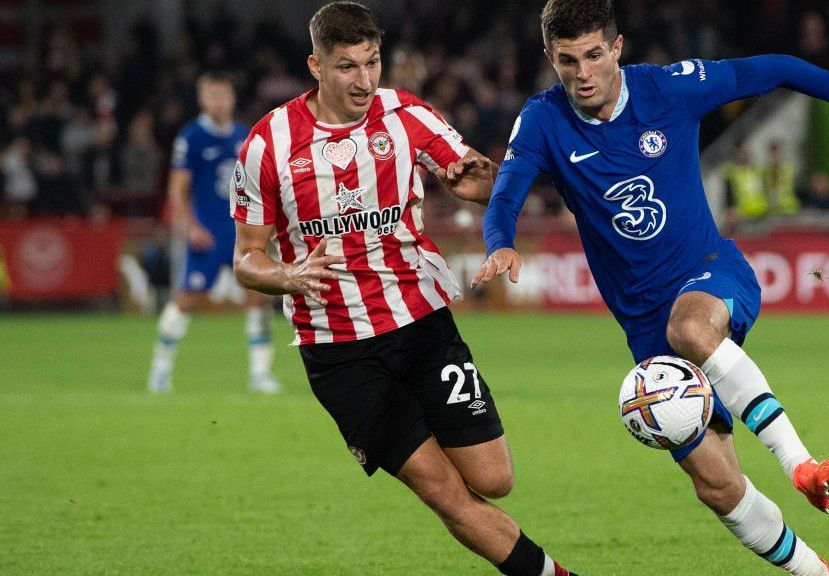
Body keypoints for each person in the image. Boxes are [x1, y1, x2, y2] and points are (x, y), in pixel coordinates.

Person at [474, 1, 829, 574]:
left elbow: (780, 67)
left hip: (710, 273)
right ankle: (818, 572)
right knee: (718, 487)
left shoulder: (672, 89)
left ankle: (800, 462)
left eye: (594, 56)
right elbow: (506, 190)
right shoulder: (543, 119)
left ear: (618, 47)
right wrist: (499, 240)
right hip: (645, 330)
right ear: (551, 59)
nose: (583, 74)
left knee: (690, 327)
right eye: (567, 61)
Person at [230, 4, 579, 576]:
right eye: (347, 67)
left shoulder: (406, 114)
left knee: (494, 479)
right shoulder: (269, 144)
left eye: (372, 63)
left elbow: (472, 177)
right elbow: (247, 257)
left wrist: (493, 179)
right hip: (340, 352)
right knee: (442, 490)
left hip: (422, 325)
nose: (364, 80)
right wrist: (285, 277)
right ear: (315, 65)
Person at [148, 72, 281, 394]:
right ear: (202, 100)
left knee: (258, 297)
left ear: (233, 98)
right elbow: (178, 187)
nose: (219, 100)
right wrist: (188, 226)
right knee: (187, 299)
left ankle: (260, 374)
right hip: (206, 235)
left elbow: (262, 184)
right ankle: (161, 368)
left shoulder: (245, 134)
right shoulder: (191, 137)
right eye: (212, 95)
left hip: (244, 234)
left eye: (224, 94)